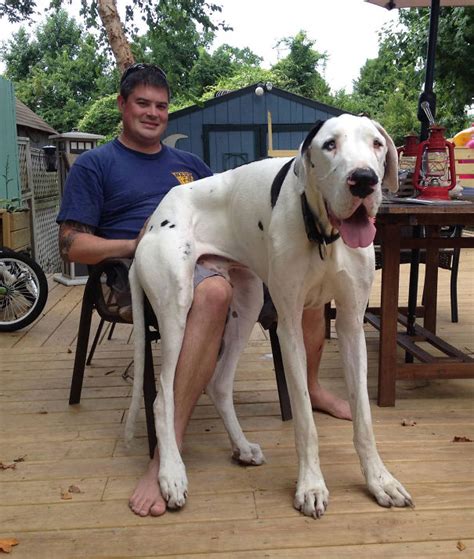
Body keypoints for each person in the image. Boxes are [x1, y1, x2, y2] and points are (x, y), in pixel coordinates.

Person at [57, 63, 351, 518]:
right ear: (121, 105)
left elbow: (232, 211)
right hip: (131, 266)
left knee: (310, 285)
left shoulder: (189, 166)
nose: (153, 114)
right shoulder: (97, 164)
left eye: (161, 106)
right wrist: (133, 243)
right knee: (214, 293)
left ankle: (309, 386)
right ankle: (165, 451)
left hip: (213, 251)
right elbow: (71, 244)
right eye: (142, 104)